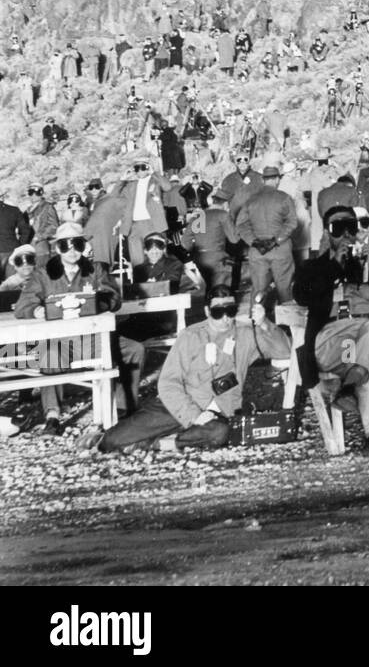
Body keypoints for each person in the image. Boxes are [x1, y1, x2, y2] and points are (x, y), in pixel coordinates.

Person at [98, 287, 292, 453]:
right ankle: (152, 436)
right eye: (218, 313)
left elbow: (284, 351)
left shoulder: (246, 333)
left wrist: (264, 323)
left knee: (220, 433)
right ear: (208, 311)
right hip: (180, 405)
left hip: (222, 409)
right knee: (111, 441)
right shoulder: (190, 336)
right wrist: (194, 415)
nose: (225, 318)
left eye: (230, 311)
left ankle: (161, 443)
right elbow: (168, 384)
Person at [294, 205, 369, 453]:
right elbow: (301, 295)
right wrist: (334, 266)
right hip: (337, 339)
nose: (345, 234)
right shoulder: (315, 266)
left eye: (351, 227)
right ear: (326, 232)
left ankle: (348, 386)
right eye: (337, 228)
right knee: (366, 356)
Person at [15, 221, 138, 434]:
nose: (72, 251)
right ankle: (52, 415)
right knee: (49, 354)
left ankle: (122, 407)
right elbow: (23, 305)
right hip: (61, 343)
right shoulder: (43, 275)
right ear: (57, 248)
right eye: (65, 245)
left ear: (84, 246)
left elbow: (114, 297)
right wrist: (37, 311)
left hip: (94, 340)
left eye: (77, 244)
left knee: (135, 350)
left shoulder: (97, 270)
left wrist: (95, 304)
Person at [234, 163, 298, 305]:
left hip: (257, 251)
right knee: (284, 290)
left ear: (263, 180)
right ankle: (286, 324)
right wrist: (276, 240)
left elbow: (241, 224)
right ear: (277, 179)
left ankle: (256, 323)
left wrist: (254, 242)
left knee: (258, 290)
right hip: (280, 250)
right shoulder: (284, 198)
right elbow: (292, 223)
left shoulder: (251, 200)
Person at [0, 195, 33, 274]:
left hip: (9, 251)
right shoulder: (13, 210)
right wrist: (20, 246)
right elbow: (26, 230)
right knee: (12, 281)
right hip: (11, 250)